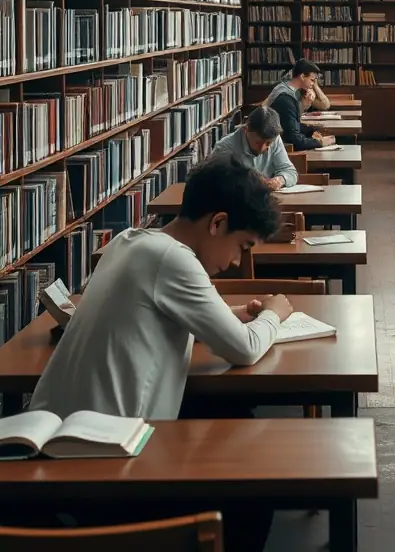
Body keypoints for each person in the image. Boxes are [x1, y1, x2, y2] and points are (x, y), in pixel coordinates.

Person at [29, 155, 293, 421]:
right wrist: (273, 313)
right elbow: (244, 348)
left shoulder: (128, 241)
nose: (237, 261)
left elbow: (155, 317)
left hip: (56, 422)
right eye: (242, 246)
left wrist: (234, 314)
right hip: (106, 439)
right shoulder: (173, 259)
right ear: (218, 223)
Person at [213, 106, 298, 189]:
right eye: (258, 142)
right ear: (246, 129)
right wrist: (251, 181)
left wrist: (280, 180)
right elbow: (218, 183)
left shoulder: (275, 140)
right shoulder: (224, 148)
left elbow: (290, 171)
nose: (262, 148)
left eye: (268, 143)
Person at [266, 59, 337, 150]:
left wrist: (310, 132)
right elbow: (294, 140)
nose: (313, 83)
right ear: (302, 76)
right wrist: (320, 142)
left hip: (279, 142)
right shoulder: (285, 98)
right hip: (275, 147)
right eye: (312, 80)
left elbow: (291, 123)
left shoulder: (287, 89)